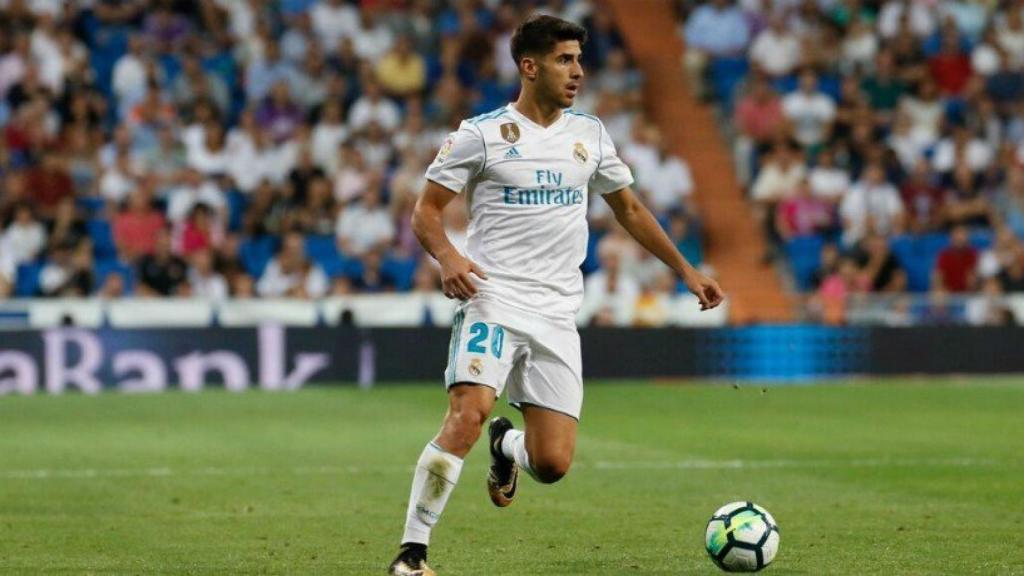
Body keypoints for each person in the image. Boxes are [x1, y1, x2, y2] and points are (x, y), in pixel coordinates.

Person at [387, 15, 724, 576]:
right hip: (492, 298)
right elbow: (425, 212)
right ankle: (411, 553)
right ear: (529, 66)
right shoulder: (482, 133)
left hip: (557, 312)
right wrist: (449, 259)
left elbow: (630, 211)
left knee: (553, 463)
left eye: (579, 60)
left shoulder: (589, 135)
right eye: (565, 60)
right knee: (467, 413)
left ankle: (506, 450)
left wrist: (687, 271)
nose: (578, 72)